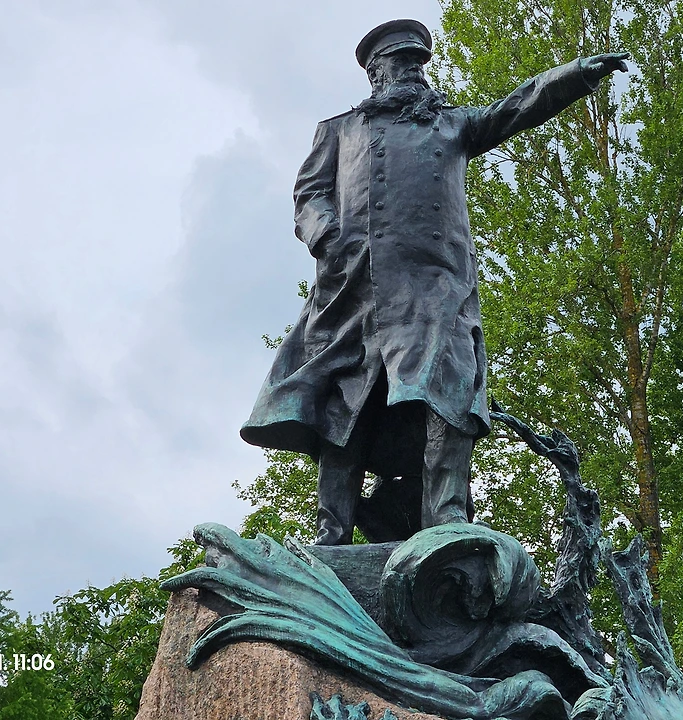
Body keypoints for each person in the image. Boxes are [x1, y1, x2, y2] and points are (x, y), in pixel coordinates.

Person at [241, 18, 630, 545]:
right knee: (344, 407)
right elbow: (309, 195)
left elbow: (518, 106)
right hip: (355, 290)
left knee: (449, 397)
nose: (412, 72)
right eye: (400, 63)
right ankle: (331, 533)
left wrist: (577, 73)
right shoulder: (339, 130)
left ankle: (446, 523)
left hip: (437, 292)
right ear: (376, 73)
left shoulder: (453, 125)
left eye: (417, 63)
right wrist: (329, 238)